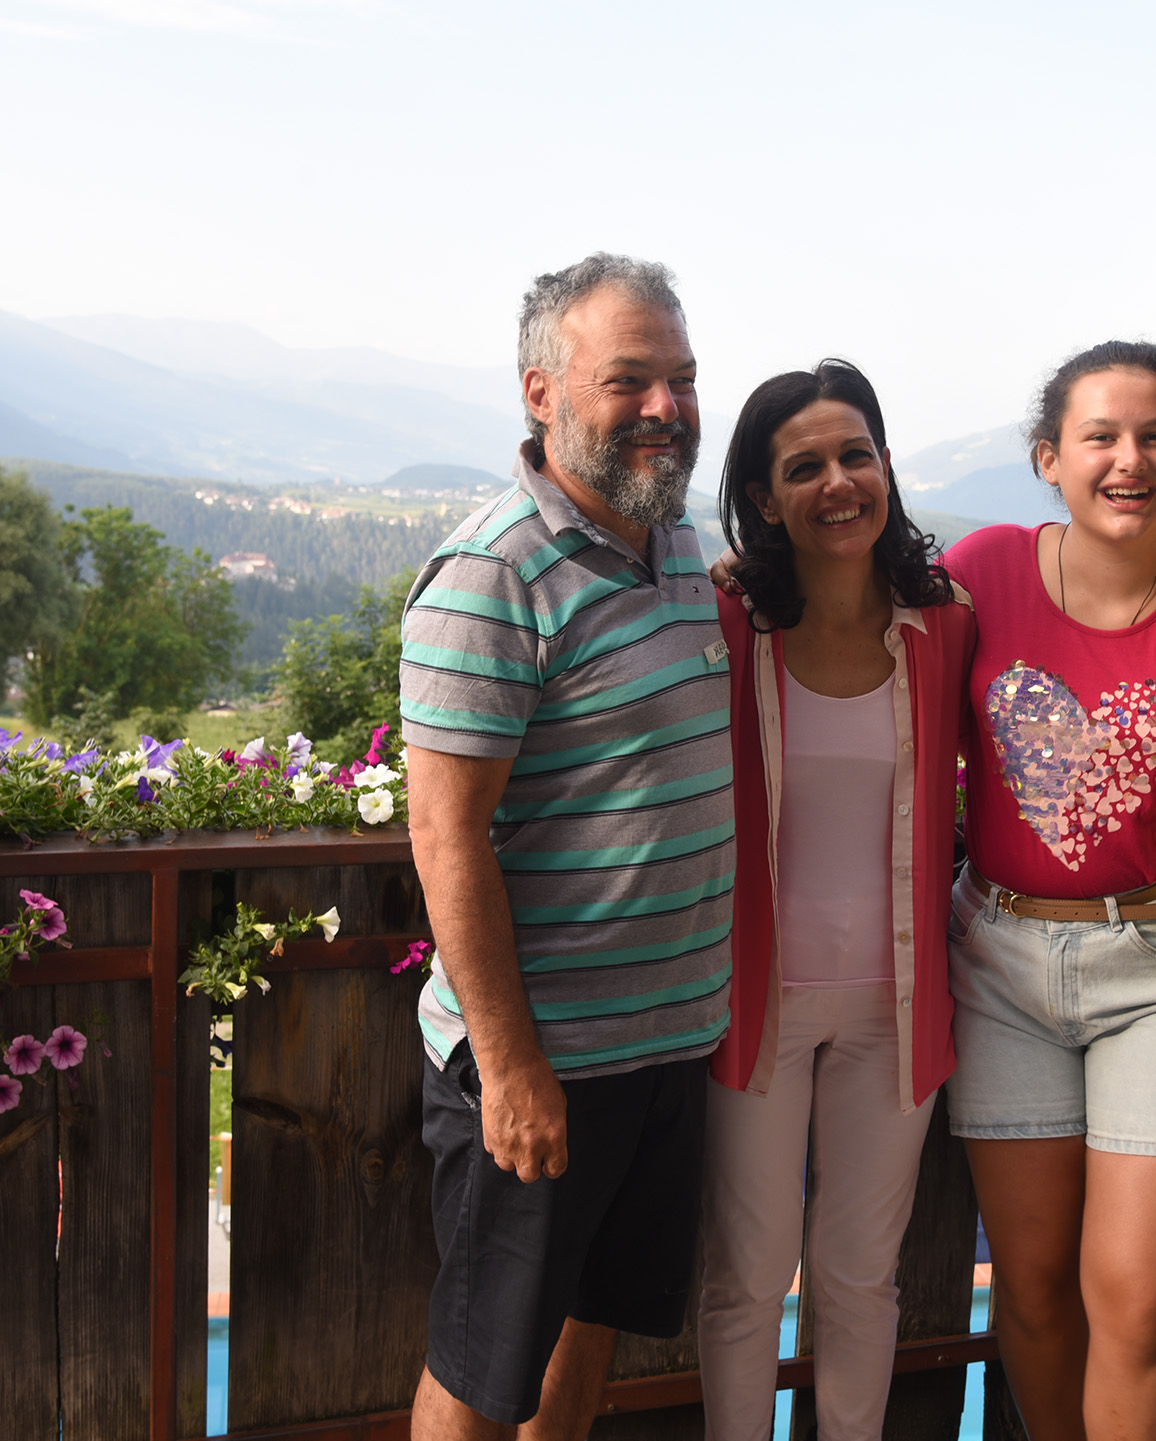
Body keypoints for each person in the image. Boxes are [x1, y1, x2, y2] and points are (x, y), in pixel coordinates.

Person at [399, 253, 733, 1441]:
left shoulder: (671, 540)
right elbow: (444, 834)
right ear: (540, 392)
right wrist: (509, 1068)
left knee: (587, 1327)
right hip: (546, 1061)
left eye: (680, 377)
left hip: (662, 1049)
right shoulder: (491, 574)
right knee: (483, 1370)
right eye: (628, 378)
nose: (665, 406)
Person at [944, 341, 1156, 1441]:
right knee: (1034, 1289)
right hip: (997, 964)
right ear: (1049, 457)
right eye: (1100, 436)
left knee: (1135, 1303)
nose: (1129, 459)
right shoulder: (981, 573)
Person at [698, 360, 976, 1441]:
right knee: (748, 1273)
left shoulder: (942, 625)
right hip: (754, 1000)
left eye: (855, 455)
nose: (837, 482)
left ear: (887, 466)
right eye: (802, 467)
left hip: (897, 1006)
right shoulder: (730, 624)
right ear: (765, 500)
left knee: (861, 1274)